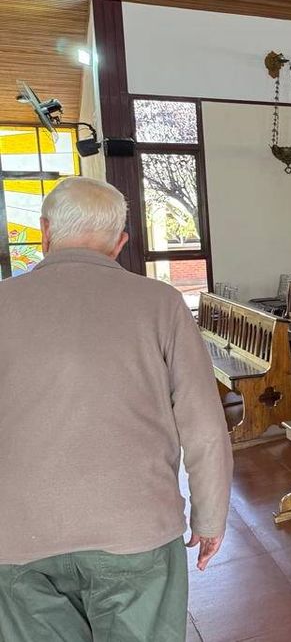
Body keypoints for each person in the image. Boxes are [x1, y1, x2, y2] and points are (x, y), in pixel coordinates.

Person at [0, 177, 233, 641]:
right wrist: (208, 518)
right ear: (120, 243)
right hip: (136, 528)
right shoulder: (161, 304)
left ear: (45, 232)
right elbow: (205, 427)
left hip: (16, 535)